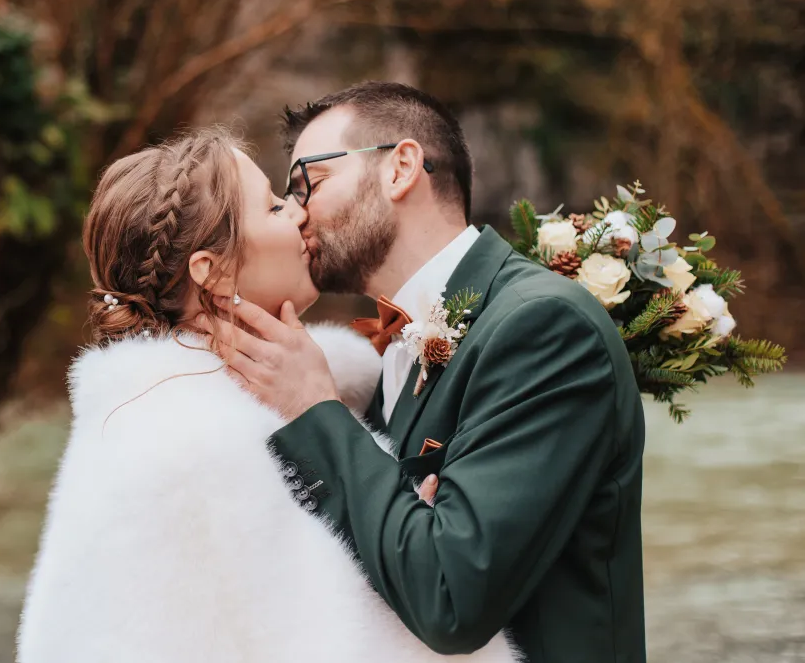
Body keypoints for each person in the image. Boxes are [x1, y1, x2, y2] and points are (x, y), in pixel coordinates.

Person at [16, 129, 520, 663]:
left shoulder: (255, 402)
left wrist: (400, 525)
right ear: (212, 271)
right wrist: (410, 538)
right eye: (274, 207)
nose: (300, 214)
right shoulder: (191, 440)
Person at [206, 82, 647, 662]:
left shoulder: (544, 326)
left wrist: (316, 409)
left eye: (309, 182)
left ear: (401, 168)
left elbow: (450, 596)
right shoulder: (391, 349)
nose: (297, 212)